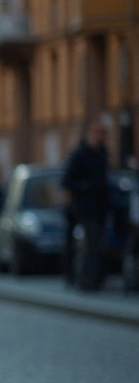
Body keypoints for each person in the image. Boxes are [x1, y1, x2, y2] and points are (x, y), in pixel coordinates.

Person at [61, 121, 110, 291]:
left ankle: (96, 279)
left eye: (103, 133)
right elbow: (67, 182)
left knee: (97, 244)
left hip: (100, 208)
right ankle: (85, 281)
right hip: (83, 208)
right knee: (90, 243)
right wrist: (84, 188)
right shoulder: (80, 155)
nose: (100, 137)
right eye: (97, 133)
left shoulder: (102, 153)